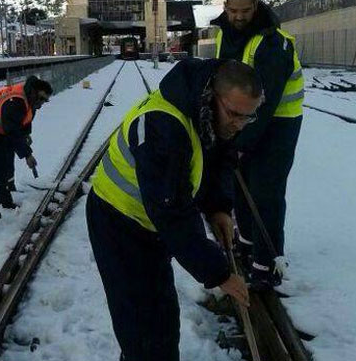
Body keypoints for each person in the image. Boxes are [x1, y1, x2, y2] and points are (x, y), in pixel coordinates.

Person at [87, 59, 264, 361]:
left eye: (249, 117)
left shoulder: (208, 110)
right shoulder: (164, 127)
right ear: (212, 96)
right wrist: (218, 272)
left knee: (161, 318)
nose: (239, 124)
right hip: (120, 223)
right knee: (146, 329)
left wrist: (218, 207)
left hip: (150, 221)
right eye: (235, 115)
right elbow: (172, 212)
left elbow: (217, 156)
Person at [211, 0, 304, 290]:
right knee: (241, 184)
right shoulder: (225, 32)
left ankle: (268, 264)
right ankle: (248, 246)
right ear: (225, 6)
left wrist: (238, 142)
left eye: (245, 10)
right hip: (244, 119)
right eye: (233, 10)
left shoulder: (274, 43)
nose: (239, 16)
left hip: (277, 124)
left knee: (266, 191)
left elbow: (266, 103)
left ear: (256, 5)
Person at [0, 76, 53, 209]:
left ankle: (10, 188)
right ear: (34, 92)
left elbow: (25, 119)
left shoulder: (31, 99)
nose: (42, 103)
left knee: (8, 157)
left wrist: (26, 135)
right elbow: (12, 132)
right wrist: (27, 154)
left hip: (1, 127)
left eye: (45, 100)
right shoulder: (15, 102)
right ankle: (1, 201)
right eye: (41, 98)